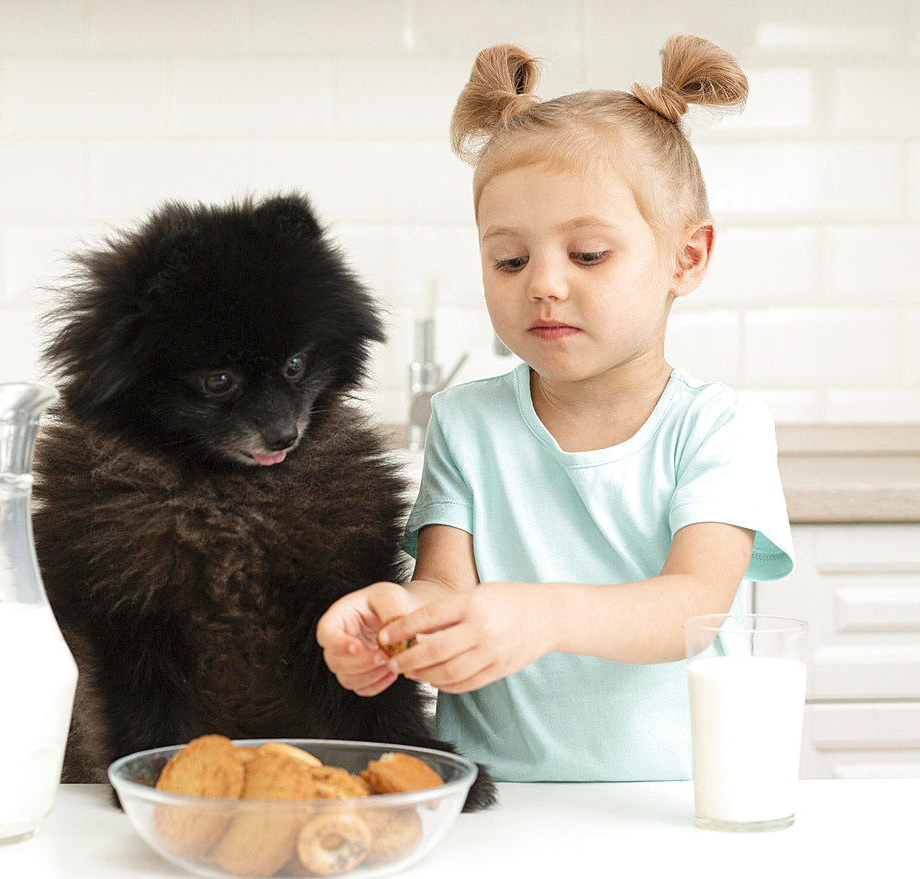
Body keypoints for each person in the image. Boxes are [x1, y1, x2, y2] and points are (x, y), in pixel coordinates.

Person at [316, 35, 795, 783]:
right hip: (493, 797)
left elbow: (693, 606)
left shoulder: (719, 427)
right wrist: (397, 621)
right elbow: (448, 588)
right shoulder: (467, 422)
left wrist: (543, 616)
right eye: (510, 259)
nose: (542, 283)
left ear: (687, 258)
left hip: (671, 799)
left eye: (589, 254)